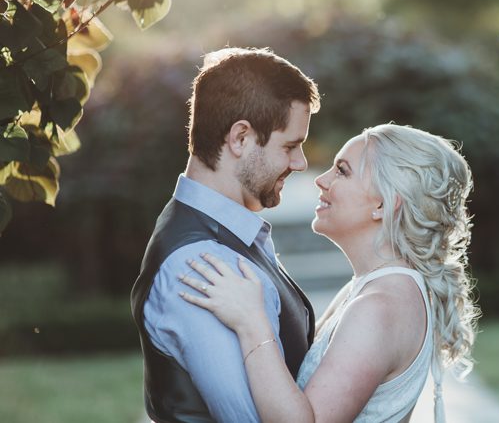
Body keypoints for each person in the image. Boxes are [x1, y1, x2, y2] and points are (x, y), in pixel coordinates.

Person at [180, 123, 480, 423]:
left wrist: (251, 323)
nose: (321, 181)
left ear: (383, 204)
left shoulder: (380, 307)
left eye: (343, 171)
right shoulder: (369, 288)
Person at [130, 47, 321, 422]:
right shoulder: (203, 264)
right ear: (240, 138)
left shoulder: (223, 235)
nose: (300, 163)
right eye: (290, 146)